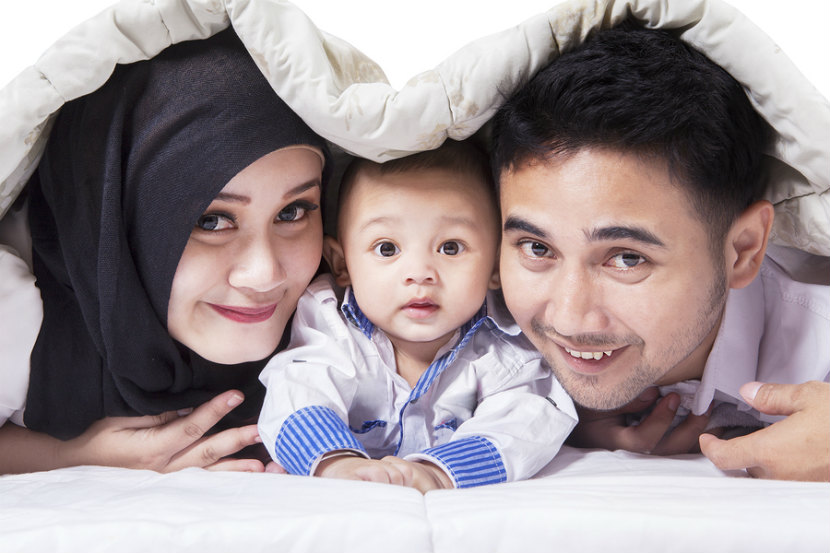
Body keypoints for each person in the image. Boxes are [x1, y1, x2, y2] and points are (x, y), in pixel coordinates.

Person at [490, 22, 830, 481]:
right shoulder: (454, 320)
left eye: (627, 258)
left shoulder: (820, 344)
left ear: (744, 251)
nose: (569, 320)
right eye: (536, 247)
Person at [0, 29, 331, 474]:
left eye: (293, 212)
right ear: (116, 222)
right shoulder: (17, 315)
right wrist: (74, 458)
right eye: (211, 220)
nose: (264, 274)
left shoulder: (353, 303)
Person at [258, 140, 576, 492]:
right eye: (387, 248)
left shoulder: (506, 347)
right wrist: (335, 464)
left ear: (497, 264)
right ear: (341, 264)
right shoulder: (331, 324)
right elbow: (297, 390)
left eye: (450, 247)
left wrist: (437, 473)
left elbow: (527, 423)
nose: (420, 273)